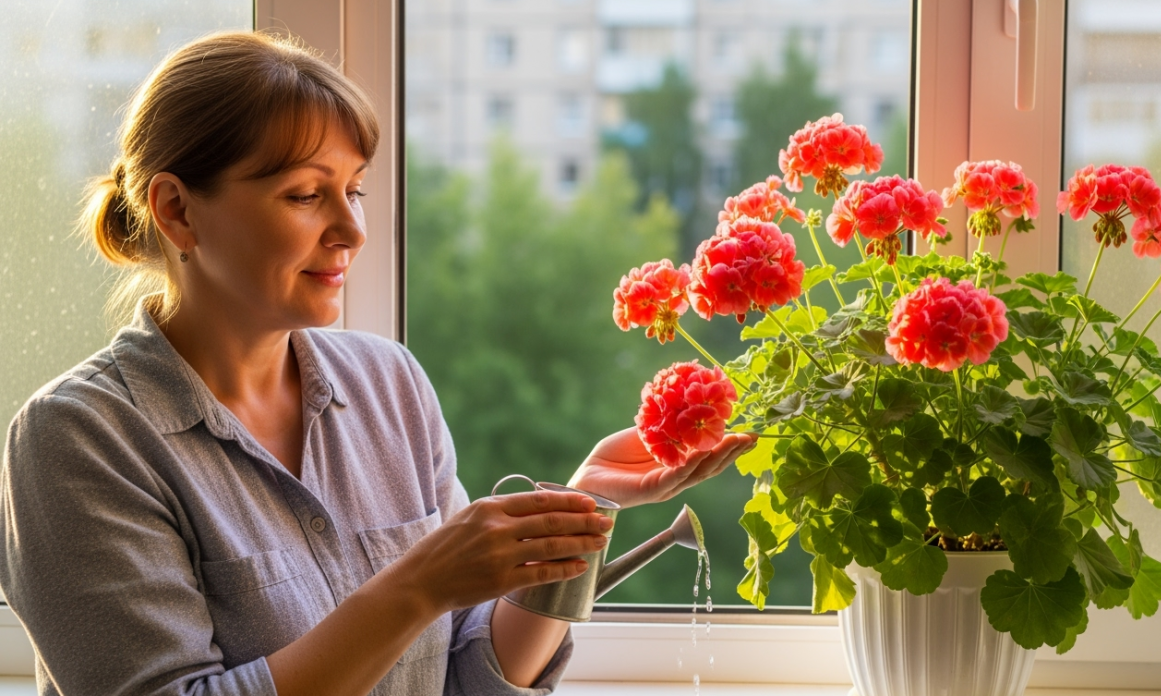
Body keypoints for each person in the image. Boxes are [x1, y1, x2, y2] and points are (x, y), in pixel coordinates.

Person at [0, 31, 755, 696]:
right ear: (177, 210)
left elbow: (465, 678)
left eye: (354, 190)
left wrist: (577, 515)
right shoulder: (77, 440)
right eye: (304, 195)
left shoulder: (389, 385)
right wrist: (418, 586)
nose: (351, 230)